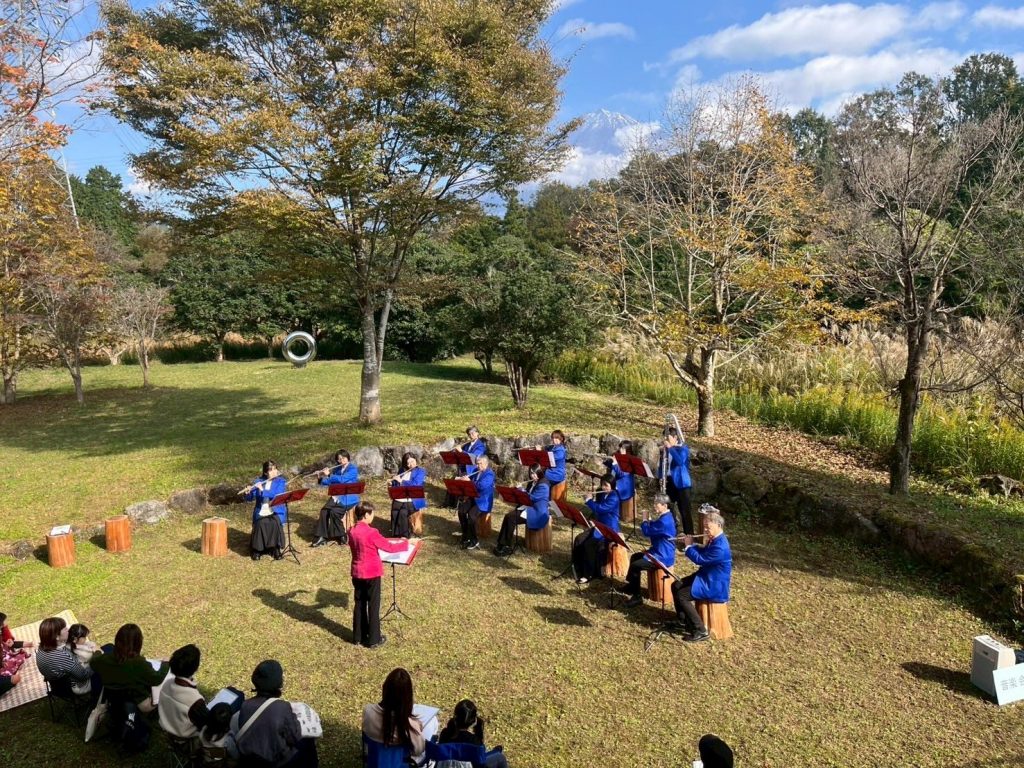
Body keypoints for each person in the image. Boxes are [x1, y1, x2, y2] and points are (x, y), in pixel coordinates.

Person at [231, 659, 318, 767]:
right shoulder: (282, 707)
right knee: (307, 741)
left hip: (251, 759)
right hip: (274, 762)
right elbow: (293, 737)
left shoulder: (245, 705)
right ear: (279, 682)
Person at [348, 503, 409, 649]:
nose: (373, 517)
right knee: (373, 605)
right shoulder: (371, 532)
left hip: (357, 571)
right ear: (367, 515)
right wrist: (406, 543)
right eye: (373, 514)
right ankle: (374, 639)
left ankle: (358, 636)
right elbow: (389, 547)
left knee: (360, 603)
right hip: (372, 572)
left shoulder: (351, 531)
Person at [671, 507, 732, 643]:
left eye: (708, 528)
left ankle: (700, 630)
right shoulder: (714, 539)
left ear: (718, 526)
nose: (705, 531)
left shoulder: (721, 546)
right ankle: (683, 620)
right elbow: (704, 551)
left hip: (713, 583)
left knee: (682, 595)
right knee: (676, 585)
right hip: (705, 576)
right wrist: (691, 543)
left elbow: (700, 559)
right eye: (704, 527)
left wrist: (688, 546)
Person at [91, 623, 169, 713]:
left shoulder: (104, 659)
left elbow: (93, 662)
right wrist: (165, 664)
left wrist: (97, 651)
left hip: (114, 699)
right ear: (138, 643)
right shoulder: (138, 664)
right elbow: (157, 679)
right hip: (139, 702)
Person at [624, 494, 677, 607]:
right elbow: (655, 526)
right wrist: (649, 522)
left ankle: (637, 597)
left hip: (662, 556)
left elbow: (647, 532)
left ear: (664, 505)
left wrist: (644, 521)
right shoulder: (666, 517)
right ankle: (631, 586)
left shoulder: (664, 521)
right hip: (657, 551)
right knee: (635, 557)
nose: (654, 506)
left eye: (656, 504)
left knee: (635, 565)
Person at [362, 668, 426, 758]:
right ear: (408, 698)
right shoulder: (409, 727)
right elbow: (419, 750)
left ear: (384, 688)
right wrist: (417, 728)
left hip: (374, 762)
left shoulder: (368, 711)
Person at [158, 644, 211, 750]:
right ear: (195, 668)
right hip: (186, 742)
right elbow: (207, 724)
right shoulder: (194, 700)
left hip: (167, 732)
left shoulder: (167, 684)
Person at [572, 474, 621, 584]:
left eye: (606, 485)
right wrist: (593, 521)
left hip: (609, 529)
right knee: (579, 539)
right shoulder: (604, 494)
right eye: (602, 484)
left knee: (590, 544)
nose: (603, 487)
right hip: (599, 526)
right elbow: (598, 512)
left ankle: (588, 574)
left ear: (612, 486)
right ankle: (578, 568)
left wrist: (589, 500)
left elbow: (601, 509)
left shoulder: (614, 497)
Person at [493, 464, 550, 557]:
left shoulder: (544, 485)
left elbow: (532, 498)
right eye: (531, 473)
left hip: (537, 511)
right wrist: (517, 491)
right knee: (508, 516)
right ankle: (501, 543)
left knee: (511, 518)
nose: (532, 476)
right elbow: (525, 496)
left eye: (535, 473)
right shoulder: (532, 483)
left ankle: (507, 546)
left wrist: (521, 491)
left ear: (540, 473)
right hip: (528, 507)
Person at [438, 699, 509, 768]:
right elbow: (481, 762)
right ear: (474, 721)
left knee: (495, 753)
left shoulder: (444, 733)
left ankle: (495, 751)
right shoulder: (473, 741)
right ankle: (496, 751)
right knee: (500, 757)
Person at [34, 616, 93, 696]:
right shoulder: (63, 656)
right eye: (64, 628)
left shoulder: (41, 648)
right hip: (77, 687)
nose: (68, 629)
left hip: (57, 687)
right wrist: (97, 659)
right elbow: (83, 675)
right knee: (107, 653)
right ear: (57, 637)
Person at [312, 450, 360, 547]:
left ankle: (342, 535)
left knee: (334, 512)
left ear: (348, 458)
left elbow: (342, 480)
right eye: (339, 459)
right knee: (324, 511)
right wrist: (320, 477)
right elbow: (330, 482)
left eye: (343, 458)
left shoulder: (353, 469)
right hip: (337, 496)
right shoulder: (337, 470)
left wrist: (330, 475)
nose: (342, 460)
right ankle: (322, 537)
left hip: (349, 497)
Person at [245, 460, 288, 561]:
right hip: (261, 510)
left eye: (275, 469)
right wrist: (248, 493)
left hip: (275, 510)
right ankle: (257, 550)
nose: (274, 472)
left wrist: (262, 490)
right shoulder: (259, 481)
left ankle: (275, 549)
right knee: (260, 523)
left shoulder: (281, 481)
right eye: (271, 470)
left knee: (275, 522)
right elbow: (250, 498)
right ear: (265, 472)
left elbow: (276, 494)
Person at [658, 428, 694, 535]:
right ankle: (672, 531)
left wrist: (671, 448)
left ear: (675, 438)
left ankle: (689, 536)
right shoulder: (665, 449)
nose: (665, 441)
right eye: (664, 439)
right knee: (668, 508)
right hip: (669, 481)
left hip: (682, 484)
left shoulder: (683, 448)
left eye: (668, 439)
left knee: (685, 511)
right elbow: (662, 464)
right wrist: (660, 477)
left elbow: (679, 461)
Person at [458, 455, 495, 550]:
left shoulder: (489, 474)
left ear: (486, 464)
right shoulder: (475, 471)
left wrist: (469, 481)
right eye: (477, 463)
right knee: (461, 511)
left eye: (480, 464)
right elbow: (471, 484)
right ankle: (466, 535)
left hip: (483, 502)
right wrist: (463, 480)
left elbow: (481, 486)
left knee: (471, 515)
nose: (478, 466)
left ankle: (474, 540)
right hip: (473, 498)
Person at [389, 452, 426, 539]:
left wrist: (402, 481)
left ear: (416, 460)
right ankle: (396, 534)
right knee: (395, 509)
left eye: (412, 461)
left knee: (403, 512)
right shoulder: (402, 470)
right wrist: (393, 482)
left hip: (414, 499)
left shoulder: (420, 471)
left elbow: (415, 484)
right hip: (401, 497)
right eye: (408, 463)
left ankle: (405, 535)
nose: (410, 465)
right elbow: (397, 484)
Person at [604, 440, 636, 522]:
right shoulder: (619, 456)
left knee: (611, 490)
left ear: (627, 450)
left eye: (622, 448)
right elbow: (613, 467)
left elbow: (621, 473)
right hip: (618, 483)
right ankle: (605, 512)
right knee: (603, 489)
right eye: (620, 447)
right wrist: (608, 461)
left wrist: (615, 464)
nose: (619, 449)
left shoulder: (630, 460)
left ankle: (613, 513)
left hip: (625, 486)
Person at [536, 430, 567, 503]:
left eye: (556, 438)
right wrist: (540, 448)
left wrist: (540, 451)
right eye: (553, 438)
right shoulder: (553, 447)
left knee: (540, 480)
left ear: (561, 439)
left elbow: (549, 458)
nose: (554, 440)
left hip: (556, 474)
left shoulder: (560, 450)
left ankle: (542, 501)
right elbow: (547, 448)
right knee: (536, 476)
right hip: (551, 472)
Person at [67, 623, 98, 695]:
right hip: (82, 684)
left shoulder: (71, 644)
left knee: (109, 647)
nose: (86, 639)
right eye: (84, 637)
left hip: (84, 672)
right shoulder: (80, 653)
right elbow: (93, 657)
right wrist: (96, 650)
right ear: (75, 639)